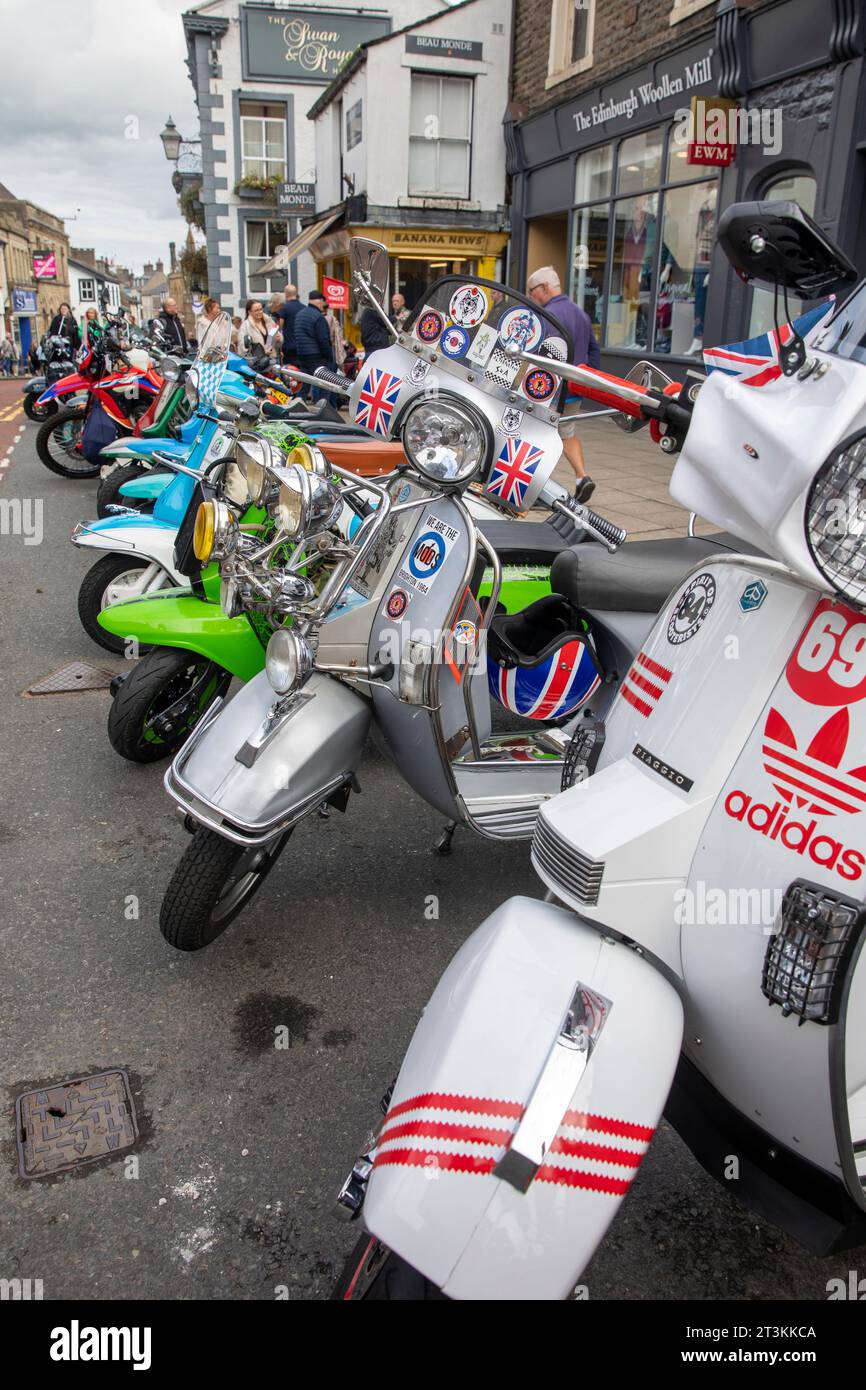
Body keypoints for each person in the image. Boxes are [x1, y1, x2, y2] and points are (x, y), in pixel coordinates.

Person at [527, 265, 601, 503]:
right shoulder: (580, 313)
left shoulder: (547, 317)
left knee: (537, 434)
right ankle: (582, 477)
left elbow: (539, 353)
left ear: (544, 288)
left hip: (549, 390)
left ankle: (536, 487)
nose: (530, 297)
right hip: (575, 388)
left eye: (531, 291)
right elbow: (593, 349)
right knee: (567, 432)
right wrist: (588, 379)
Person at [295, 290, 337, 401]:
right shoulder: (318, 317)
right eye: (323, 302)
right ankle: (323, 408)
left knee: (305, 383)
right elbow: (323, 340)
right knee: (325, 384)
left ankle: (299, 405)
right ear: (320, 302)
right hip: (317, 357)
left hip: (302, 356)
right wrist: (329, 357)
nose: (323, 306)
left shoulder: (300, 314)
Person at [275, 283, 303, 365]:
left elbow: (279, 328)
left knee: (291, 372)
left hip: (288, 347)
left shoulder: (284, 308)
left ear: (286, 294)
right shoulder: (304, 308)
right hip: (302, 346)